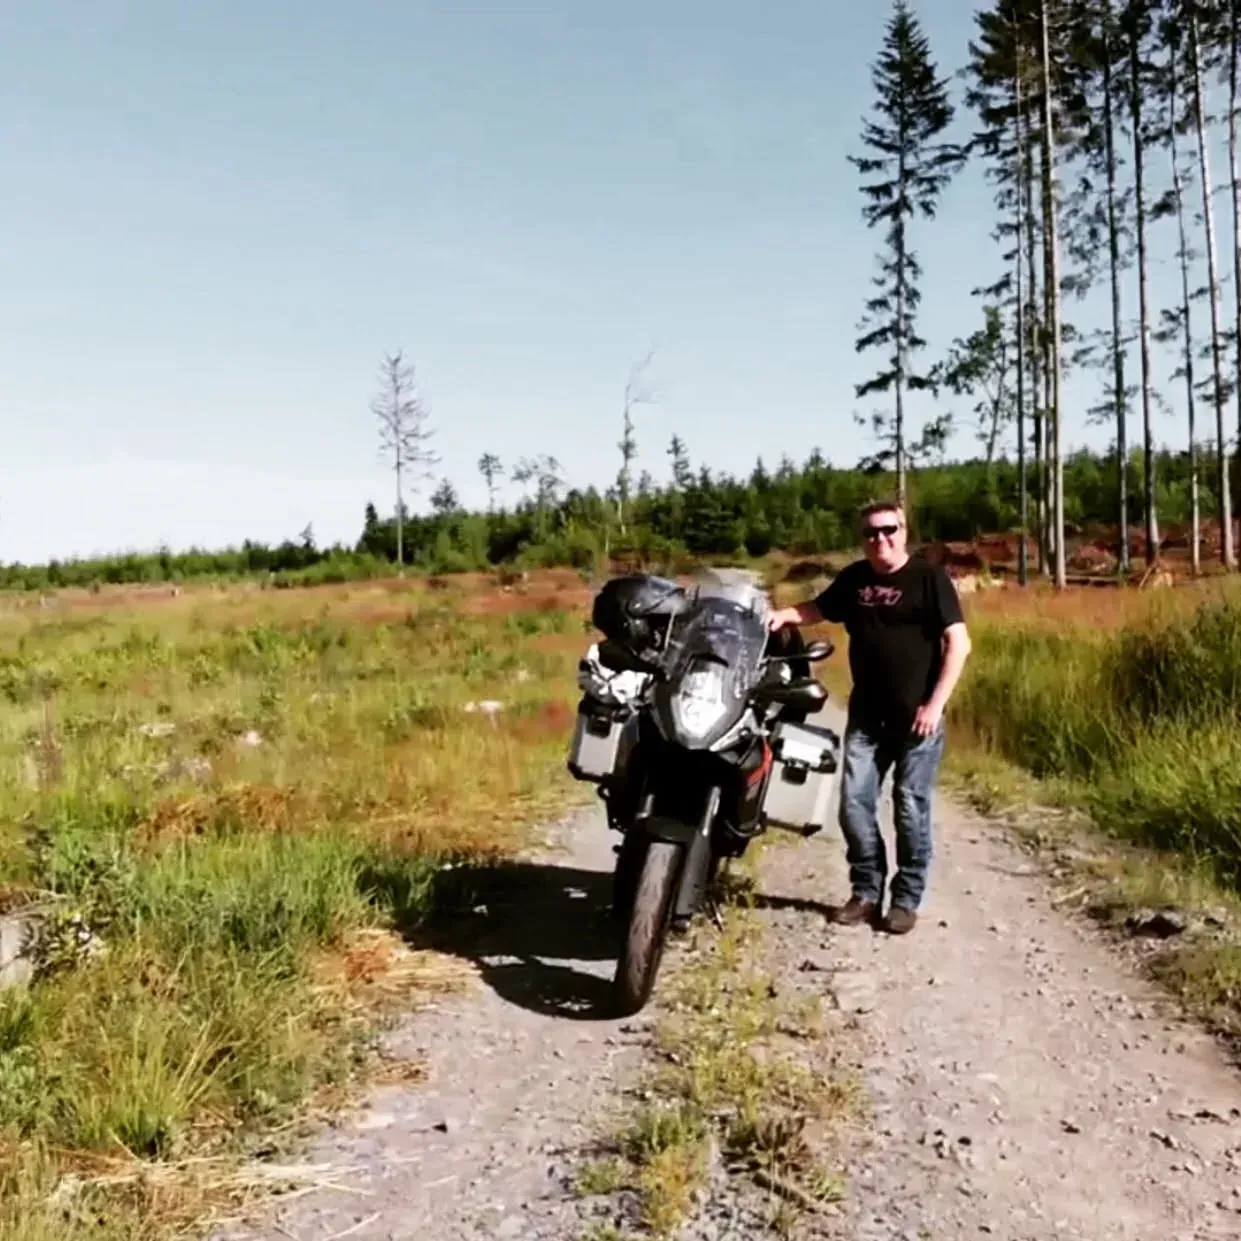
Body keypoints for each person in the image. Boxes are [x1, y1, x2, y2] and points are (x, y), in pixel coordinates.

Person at [766, 499, 971, 935]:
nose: (881, 539)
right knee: (854, 807)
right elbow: (818, 609)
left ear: (904, 531)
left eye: (889, 530)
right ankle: (866, 891)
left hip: (918, 723)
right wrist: (783, 614)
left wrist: (934, 706)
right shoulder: (855, 579)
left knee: (909, 809)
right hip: (867, 719)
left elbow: (959, 645)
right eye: (871, 533)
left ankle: (905, 899)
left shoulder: (930, 580)